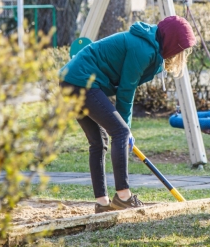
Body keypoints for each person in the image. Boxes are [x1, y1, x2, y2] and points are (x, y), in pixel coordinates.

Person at [59, 16, 196, 214]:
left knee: (99, 142)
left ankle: (103, 203)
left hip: (69, 81)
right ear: (172, 41)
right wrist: (126, 128)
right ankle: (123, 196)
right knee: (120, 132)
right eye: (180, 49)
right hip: (82, 81)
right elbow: (126, 89)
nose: (180, 54)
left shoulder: (149, 47)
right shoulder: (143, 49)